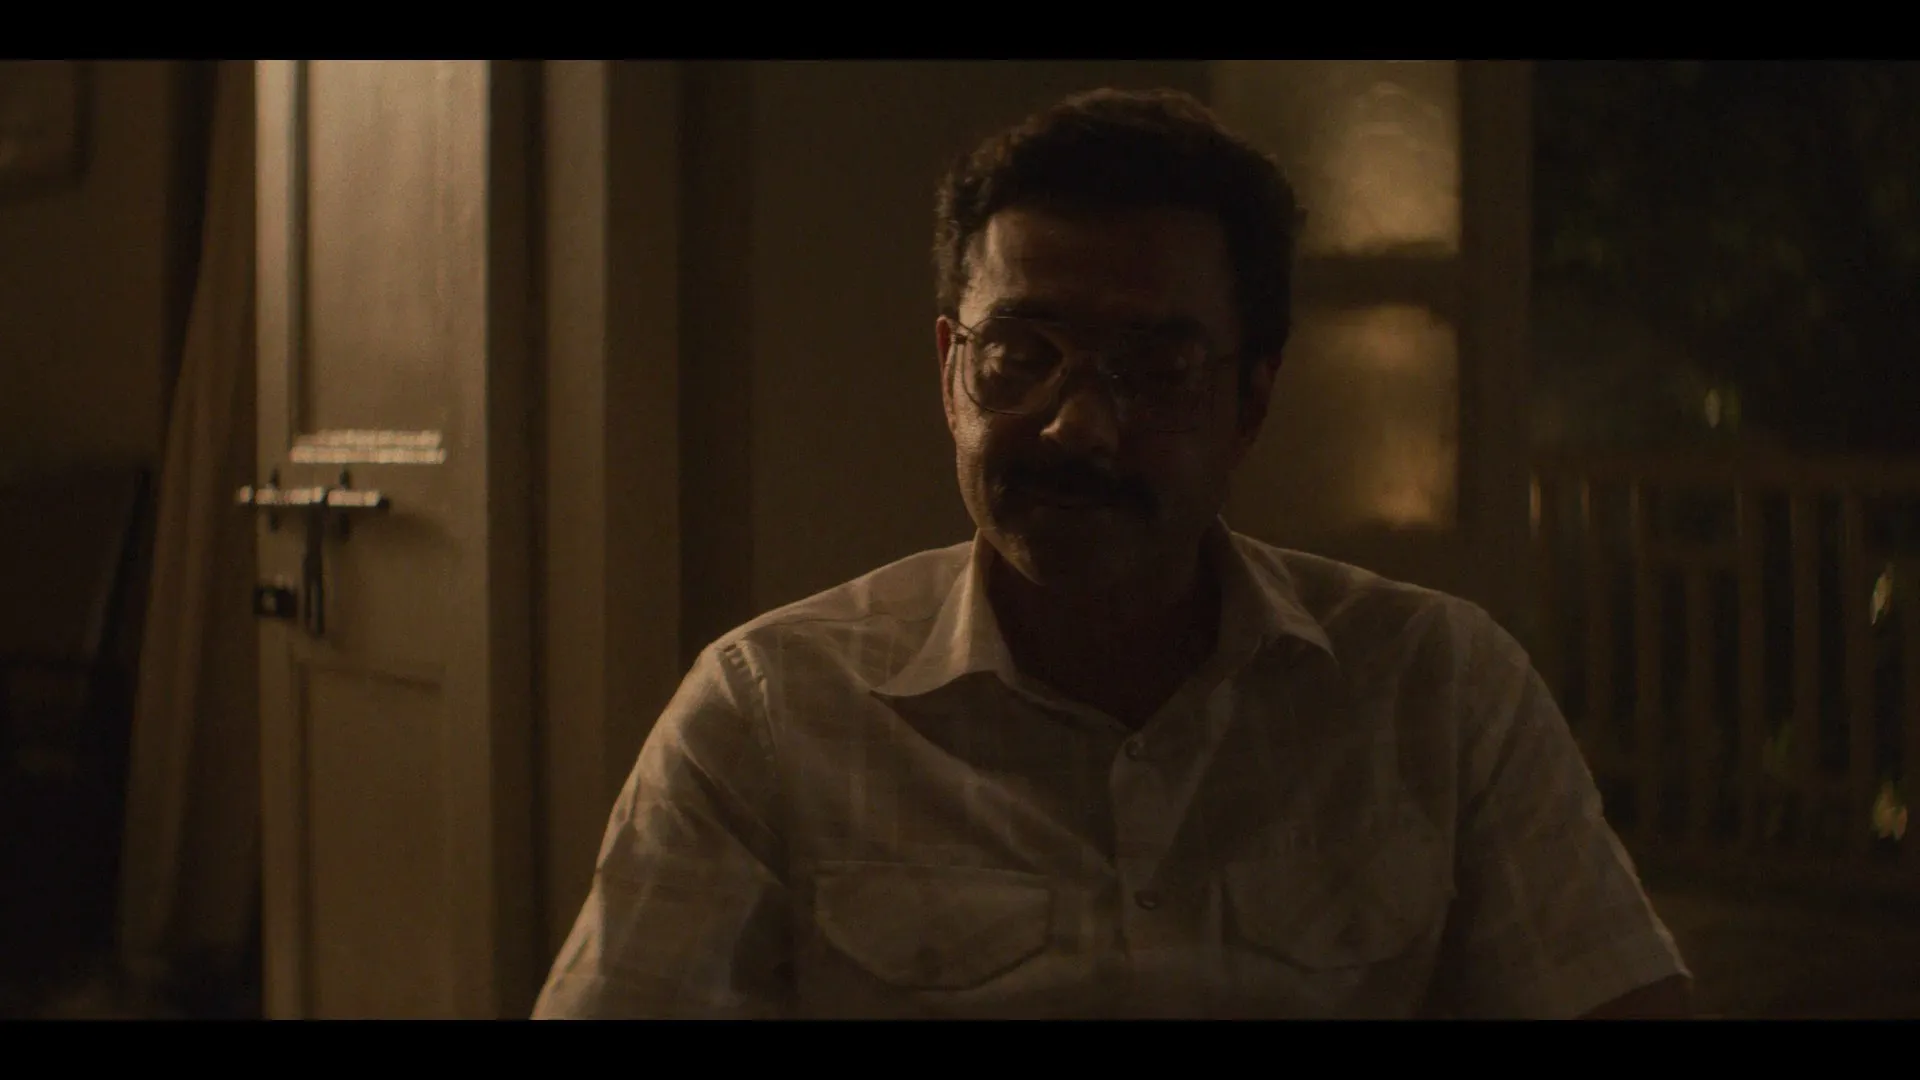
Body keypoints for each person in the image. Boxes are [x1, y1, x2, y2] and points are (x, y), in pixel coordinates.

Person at [532, 87, 1692, 1019]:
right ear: (950, 374)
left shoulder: (1438, 687)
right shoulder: (771, 711)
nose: (1076, 425)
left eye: (1155, 367)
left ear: (1251, 400)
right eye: (1019, 353)